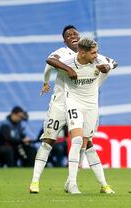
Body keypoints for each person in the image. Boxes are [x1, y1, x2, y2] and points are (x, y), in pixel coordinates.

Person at [29, 26, 116, 194]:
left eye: (75, 33)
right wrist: (46, 82)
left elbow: (111, 63)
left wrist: (104, 72)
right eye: (68, 35)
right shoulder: (61, 54)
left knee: (85, 142)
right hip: (60, 103)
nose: (73, 36)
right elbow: (48, 66)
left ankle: (73, 181)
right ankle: (35, 182)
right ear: (65, 41)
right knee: (48, 140)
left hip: (81, 103)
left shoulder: (92, 56)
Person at [57, 37, 115, 194]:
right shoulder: (68, 61)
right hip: (73, 103)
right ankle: (73, 184)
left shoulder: (98, 60)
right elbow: (50, 60)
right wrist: (68, 70)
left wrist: (108, 66)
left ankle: (101, 185)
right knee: (76, 141)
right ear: (82, 52)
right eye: (93, 53)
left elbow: (114, 62)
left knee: (87, 144)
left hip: (91, 106)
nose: (96, 56)